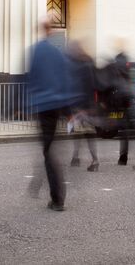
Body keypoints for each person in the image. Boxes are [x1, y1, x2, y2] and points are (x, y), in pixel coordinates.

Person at [27, 22, 80, 211]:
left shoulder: (36, 51)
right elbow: (65, 81)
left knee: (48, 152)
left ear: (42, 30)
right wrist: (69, 112)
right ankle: (54, 194)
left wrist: (18, 105)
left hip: (43, 106)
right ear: (51, 31)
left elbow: (29, 78)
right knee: (50, 150)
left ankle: (57, 199)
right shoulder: (58, 54)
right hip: (57, 106)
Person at [67, 39, 100, 172]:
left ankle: (95, 160)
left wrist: (87, 107)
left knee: (87, 133)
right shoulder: (85, 63)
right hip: (82, 104)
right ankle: (76, 158)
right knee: (81, 132)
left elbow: (89, 86)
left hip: (83, 105)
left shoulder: (84, 65)